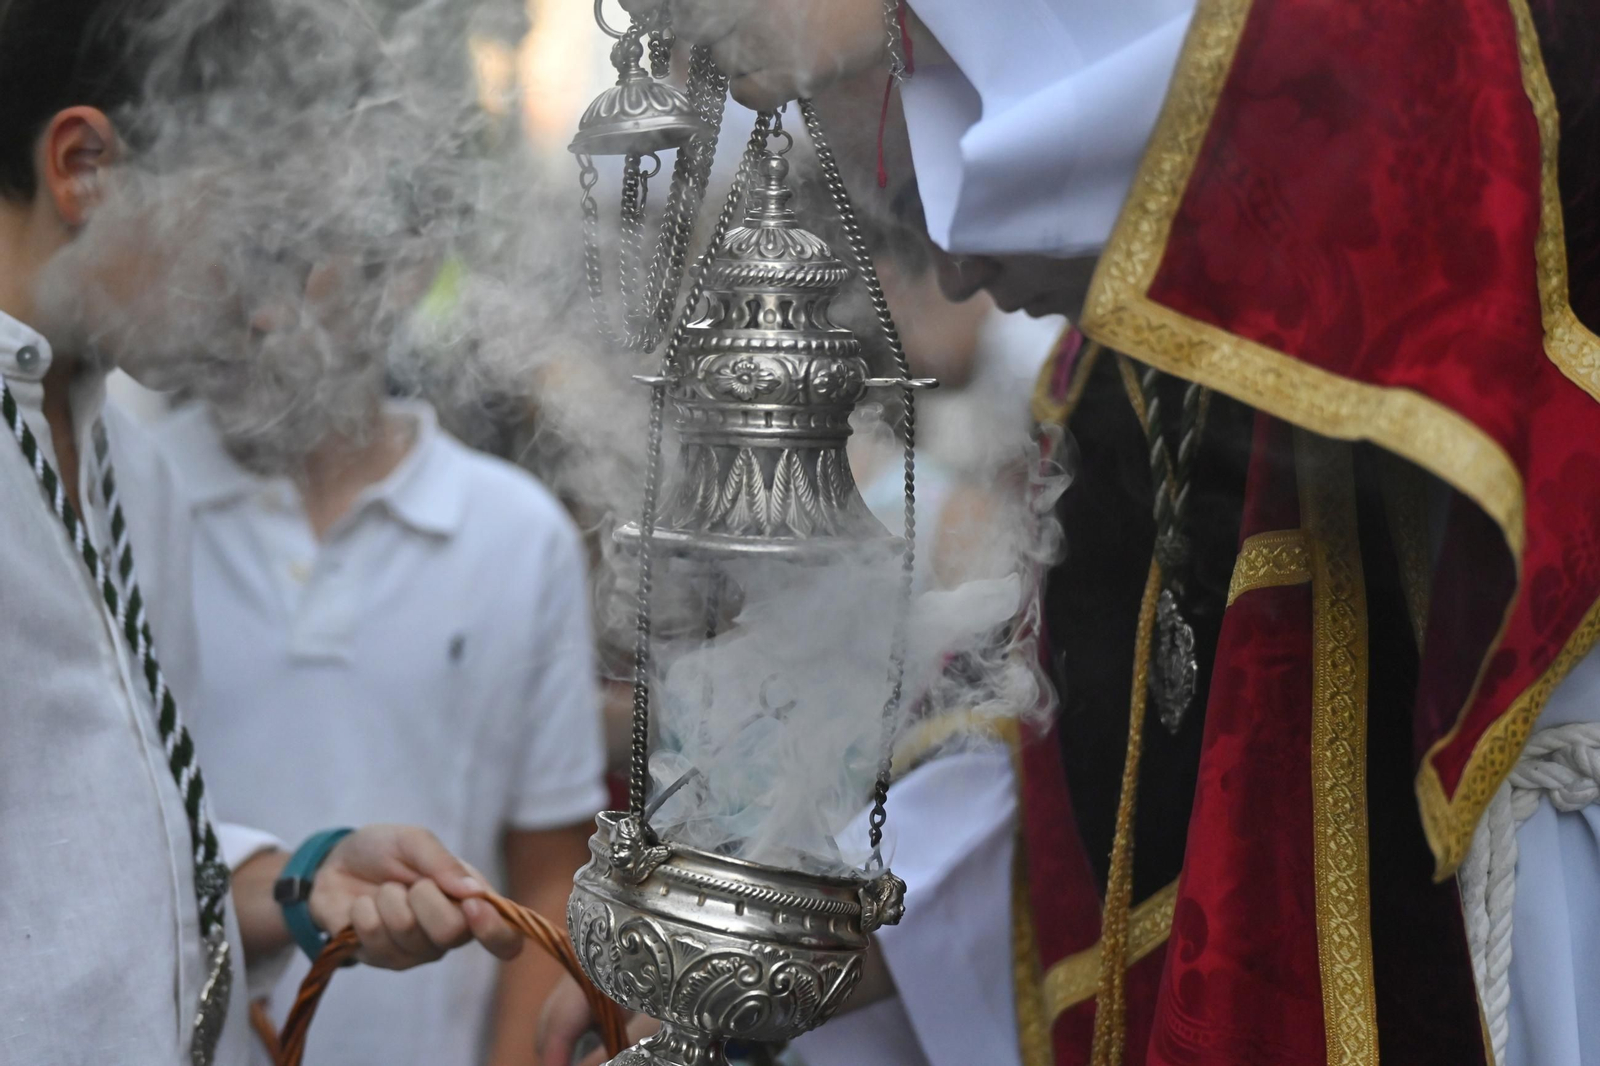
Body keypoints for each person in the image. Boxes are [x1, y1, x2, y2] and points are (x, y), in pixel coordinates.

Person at [544, 2, 1600, 1065]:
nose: (955, 272)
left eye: (942, 185)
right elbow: (1082, 795)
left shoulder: (1479, 159)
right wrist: (758, 945)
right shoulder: (1111, 381)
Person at [0, 1, 534, 1062]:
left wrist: (298, 883)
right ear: (84, 168)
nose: (264, 312)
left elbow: (98, 869)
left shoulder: (136, 473)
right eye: (250, 243)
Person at [154, 343, 606, 1066]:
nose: (265, 312)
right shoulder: (132, 490)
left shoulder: (516, 530)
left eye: (295, 248)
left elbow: (550, 869)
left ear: (397, 257)